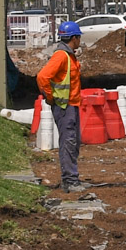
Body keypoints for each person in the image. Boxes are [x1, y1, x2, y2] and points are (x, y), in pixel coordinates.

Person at [37, 21, 86, 191]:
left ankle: (71, 178)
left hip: (70, 105)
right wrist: (50, 97)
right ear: (74, 38)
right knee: (68, 142)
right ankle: (70, 180)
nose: (79, 41)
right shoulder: (62, 56)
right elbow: (42, 77)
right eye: (79, 38)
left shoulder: (68, 55)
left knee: (73, 142)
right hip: (65, 107)